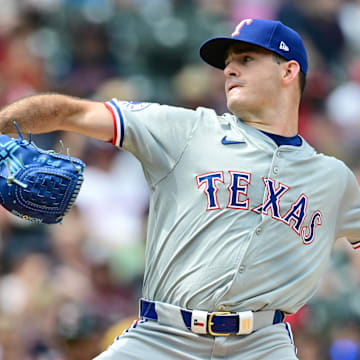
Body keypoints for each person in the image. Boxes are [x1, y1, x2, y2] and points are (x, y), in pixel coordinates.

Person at [0, 18, 359, 360]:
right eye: (229, 63)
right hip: (164, 337)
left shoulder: (333, 179)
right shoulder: (186, 130)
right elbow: (70, 112)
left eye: (247, 59)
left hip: (263, 345)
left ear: (289, 71)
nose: (230, 70)